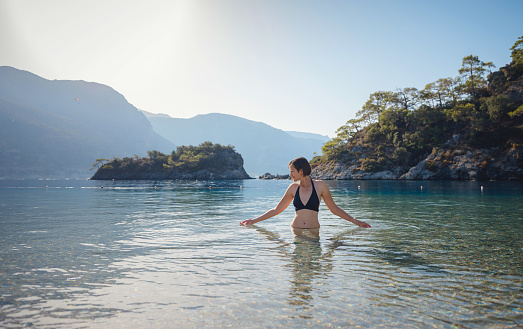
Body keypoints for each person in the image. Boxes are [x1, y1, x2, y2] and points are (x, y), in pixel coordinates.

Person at [240, 157, 371, 228]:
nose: (290, 174)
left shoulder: (320, 186)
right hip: (296, 232)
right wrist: (254, 220)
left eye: (292, 171)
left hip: (313, 232)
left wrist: (356, 221)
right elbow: (276, 210)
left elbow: (334, 209)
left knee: (313, 270)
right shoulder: (293, 188)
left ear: (301, 171)